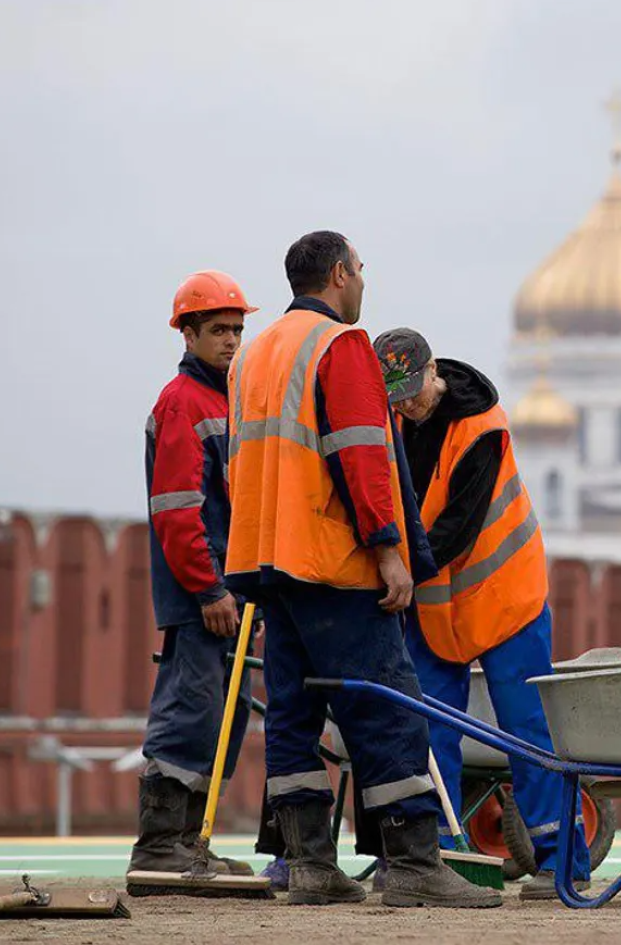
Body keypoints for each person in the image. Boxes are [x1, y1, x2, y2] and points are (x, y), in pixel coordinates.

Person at [225, 231, 499, 909]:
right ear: (341, 274)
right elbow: (361, 455)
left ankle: (311, 864)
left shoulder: (254, 354)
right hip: (330, 562)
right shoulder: (339, 346)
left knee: (292, 712)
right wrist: (388, 549)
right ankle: (412, 863)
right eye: (362, 271)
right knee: (386, 705)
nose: (364, 284)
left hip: (266, 561)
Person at [371, 327, 592, 901]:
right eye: (391, 396)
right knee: (428, 727)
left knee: (527, 729)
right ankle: (439, 859)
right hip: (438, 603)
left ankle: (562, 863)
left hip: (505, 595)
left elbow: (455, 528)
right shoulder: (394, 422)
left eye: (410, 391)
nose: (404, 405)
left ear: (432, 373)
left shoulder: (481, 429)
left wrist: (395, 570)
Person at [130, 270, 258, 890]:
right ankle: (159, 847)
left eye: (237, 329)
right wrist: (208, 589)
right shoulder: (184, 402)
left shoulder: (227, 400)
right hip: (202, 595)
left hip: (231, 592)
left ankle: (190, 843)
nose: (231, 340)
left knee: (222, 717)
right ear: (188, 332)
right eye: (218, 330)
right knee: (190, 710)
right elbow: (178, 510)